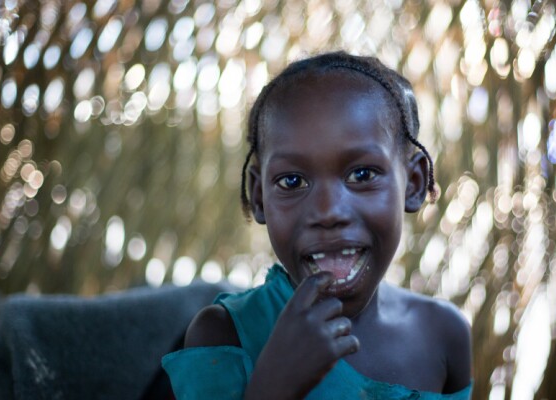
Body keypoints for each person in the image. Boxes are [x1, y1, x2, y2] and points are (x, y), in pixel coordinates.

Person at [162, 51, 472, 399]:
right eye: (292, 182)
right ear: (258, 196)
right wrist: (274, 384)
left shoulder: (444, 335)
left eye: (362, 174)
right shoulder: (222, 336)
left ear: (413, 184)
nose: (328, 211)